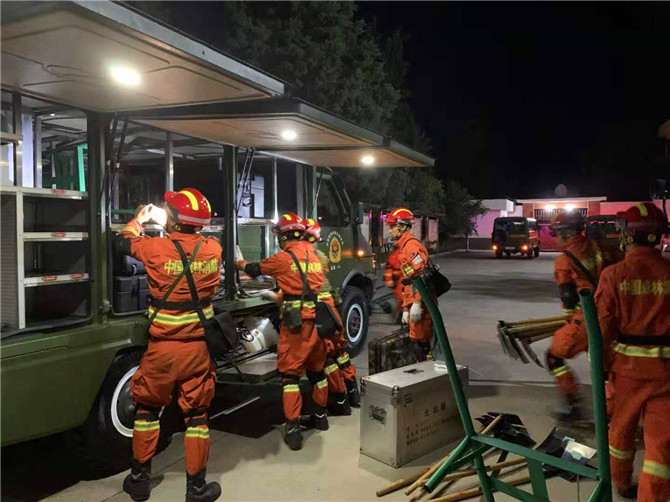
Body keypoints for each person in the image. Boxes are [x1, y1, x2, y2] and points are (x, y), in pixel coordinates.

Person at [116, 189, 221, 502]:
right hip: (197, 349)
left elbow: (123, 241)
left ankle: (139, 481)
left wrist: (139, 219)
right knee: (197, 415)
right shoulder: (213, 248)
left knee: (147, 409)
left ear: (172, 220)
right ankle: (196, 488)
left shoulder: (155, 247)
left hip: (162, 349)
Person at [595, 202, 670, 501]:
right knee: (661, 445)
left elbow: (601, 330)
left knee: (621, 431)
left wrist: (603, 366)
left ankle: (622, 482)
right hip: (667, 375)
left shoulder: (614, 275)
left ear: (627, 235)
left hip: (627, 372)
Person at [236, 213, 329, 451]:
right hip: (317, 321)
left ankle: (293, 431)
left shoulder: (284, 257)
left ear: (283, 236)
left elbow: (255, 270)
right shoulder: (313, 255)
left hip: (296, 324)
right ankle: (321, 417)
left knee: (290, 377)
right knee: (318, 372)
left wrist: (238, 261)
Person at [545, 210, 619, 421]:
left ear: (566, 233)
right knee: (605, 369)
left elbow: (568, 298)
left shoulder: (564, 260)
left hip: (586, 318)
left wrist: (569, 322)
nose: (556, 238)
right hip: (612, 316)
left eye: (557, 233)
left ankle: (574, 404)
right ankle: (612, 416)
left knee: (553, 356)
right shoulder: (602, 248)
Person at [303, 217, 360, 411]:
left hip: (319, 308)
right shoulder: (320, 255)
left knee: (327, 357)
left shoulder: (301, 257)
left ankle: (339, 399)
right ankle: (353, 393)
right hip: (329, 307)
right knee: (340, 352)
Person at [385, 207, 433, 361]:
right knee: (416, 341)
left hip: (422, 305)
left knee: (422, 343)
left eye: (392, 227)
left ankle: (427, 370)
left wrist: (417, 303)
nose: (390, 231)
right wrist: (406, 308)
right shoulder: (404, 247)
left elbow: (422, 276)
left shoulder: (411, 247)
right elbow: (408, 282)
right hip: (414, 303)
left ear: (403, 226)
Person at [383, 241, 404, 323]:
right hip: (399, 279)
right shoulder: (399, 254)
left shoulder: (394, 255)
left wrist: (389, 280)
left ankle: (399, 316)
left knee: (401, 299)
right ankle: (399, 316)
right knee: (402, 299)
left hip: (398, 279)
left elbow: (389, 269)